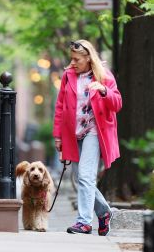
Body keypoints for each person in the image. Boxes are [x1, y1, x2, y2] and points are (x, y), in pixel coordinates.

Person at [52, 39, 122, 235]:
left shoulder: (103, 76)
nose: (73, 63)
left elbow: (117, 104)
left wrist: (104, 90)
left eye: (77, 59)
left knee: (85, 175)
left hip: (93, 131)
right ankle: (104, 212)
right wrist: (58, 136)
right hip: (73, 134)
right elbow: (60, 107)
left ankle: (83, 222)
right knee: (80, 177)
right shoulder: (68, 76)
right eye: (71, 59)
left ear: (88, 58)